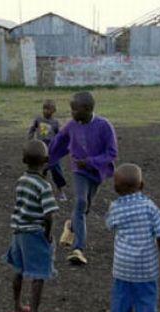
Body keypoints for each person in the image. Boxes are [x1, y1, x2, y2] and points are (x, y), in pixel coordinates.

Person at [49, 92, 118, 265]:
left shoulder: (104, 126)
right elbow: (59, 141)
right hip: (78, 171)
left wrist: (91, 162)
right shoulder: (71, 125)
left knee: (85, 208)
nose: (71, 113)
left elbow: (112, 152)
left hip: (96, 173)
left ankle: (71, 226)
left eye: (74, 109)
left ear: (87, 109)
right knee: (80, 203)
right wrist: (46, 159)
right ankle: (78, 249)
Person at [106, 164, 160, 312]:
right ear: (141, 185)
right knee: (147, 307)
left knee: (120, 306)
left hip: (122, 269)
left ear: (115, 188)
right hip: (146, 271)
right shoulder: (149, 207)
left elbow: (110, 225)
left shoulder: (115, 208)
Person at [3, 140, 60, 312]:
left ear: (23, 160)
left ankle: (17, 306)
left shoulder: (22, 180)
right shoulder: (43, 186)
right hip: (35, 233)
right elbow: (49, 214)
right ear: (46, 160)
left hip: (18, 232)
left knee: (18, 270)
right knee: (39, 273)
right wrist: (49, 234)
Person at [28, 99, 67, 201]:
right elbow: (32, 128)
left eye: (48, 109)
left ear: (54, 110)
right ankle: (40, 190)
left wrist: (60, 148)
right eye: (44, 108)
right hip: (41, 149)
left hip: (52, 150)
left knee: (56, 170)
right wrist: (30, 139)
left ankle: (60, 190)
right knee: (41, 170)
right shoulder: (38, 119)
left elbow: (60, 136)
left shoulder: (55, 123)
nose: (45, 111)